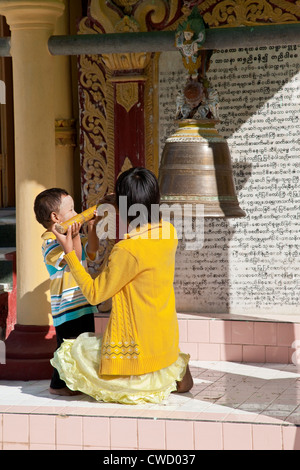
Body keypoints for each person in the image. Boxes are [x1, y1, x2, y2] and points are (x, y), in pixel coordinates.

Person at [51, 168, 193, 404]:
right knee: (163, 360)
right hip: (164, 340)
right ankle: (173, 369)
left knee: (72, 352)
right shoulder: (168, 232)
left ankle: (150, 379)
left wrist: (70, 255)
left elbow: (96, 295)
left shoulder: (127, 250)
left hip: (136, 349)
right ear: (155, 199)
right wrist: (120, 205)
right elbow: (139, 236)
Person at [34, 188, 99, 396]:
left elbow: (91, 253)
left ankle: (78, 382)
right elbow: (73, 258)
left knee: (84, 344)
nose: (76, 213)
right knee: (67, 348)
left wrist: (92, 228)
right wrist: (74, 236)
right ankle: (58, 385)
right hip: (67, 307)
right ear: (55, 217)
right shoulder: (49, 244)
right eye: (71, 210)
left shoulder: (71, 234)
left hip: (83, 300)